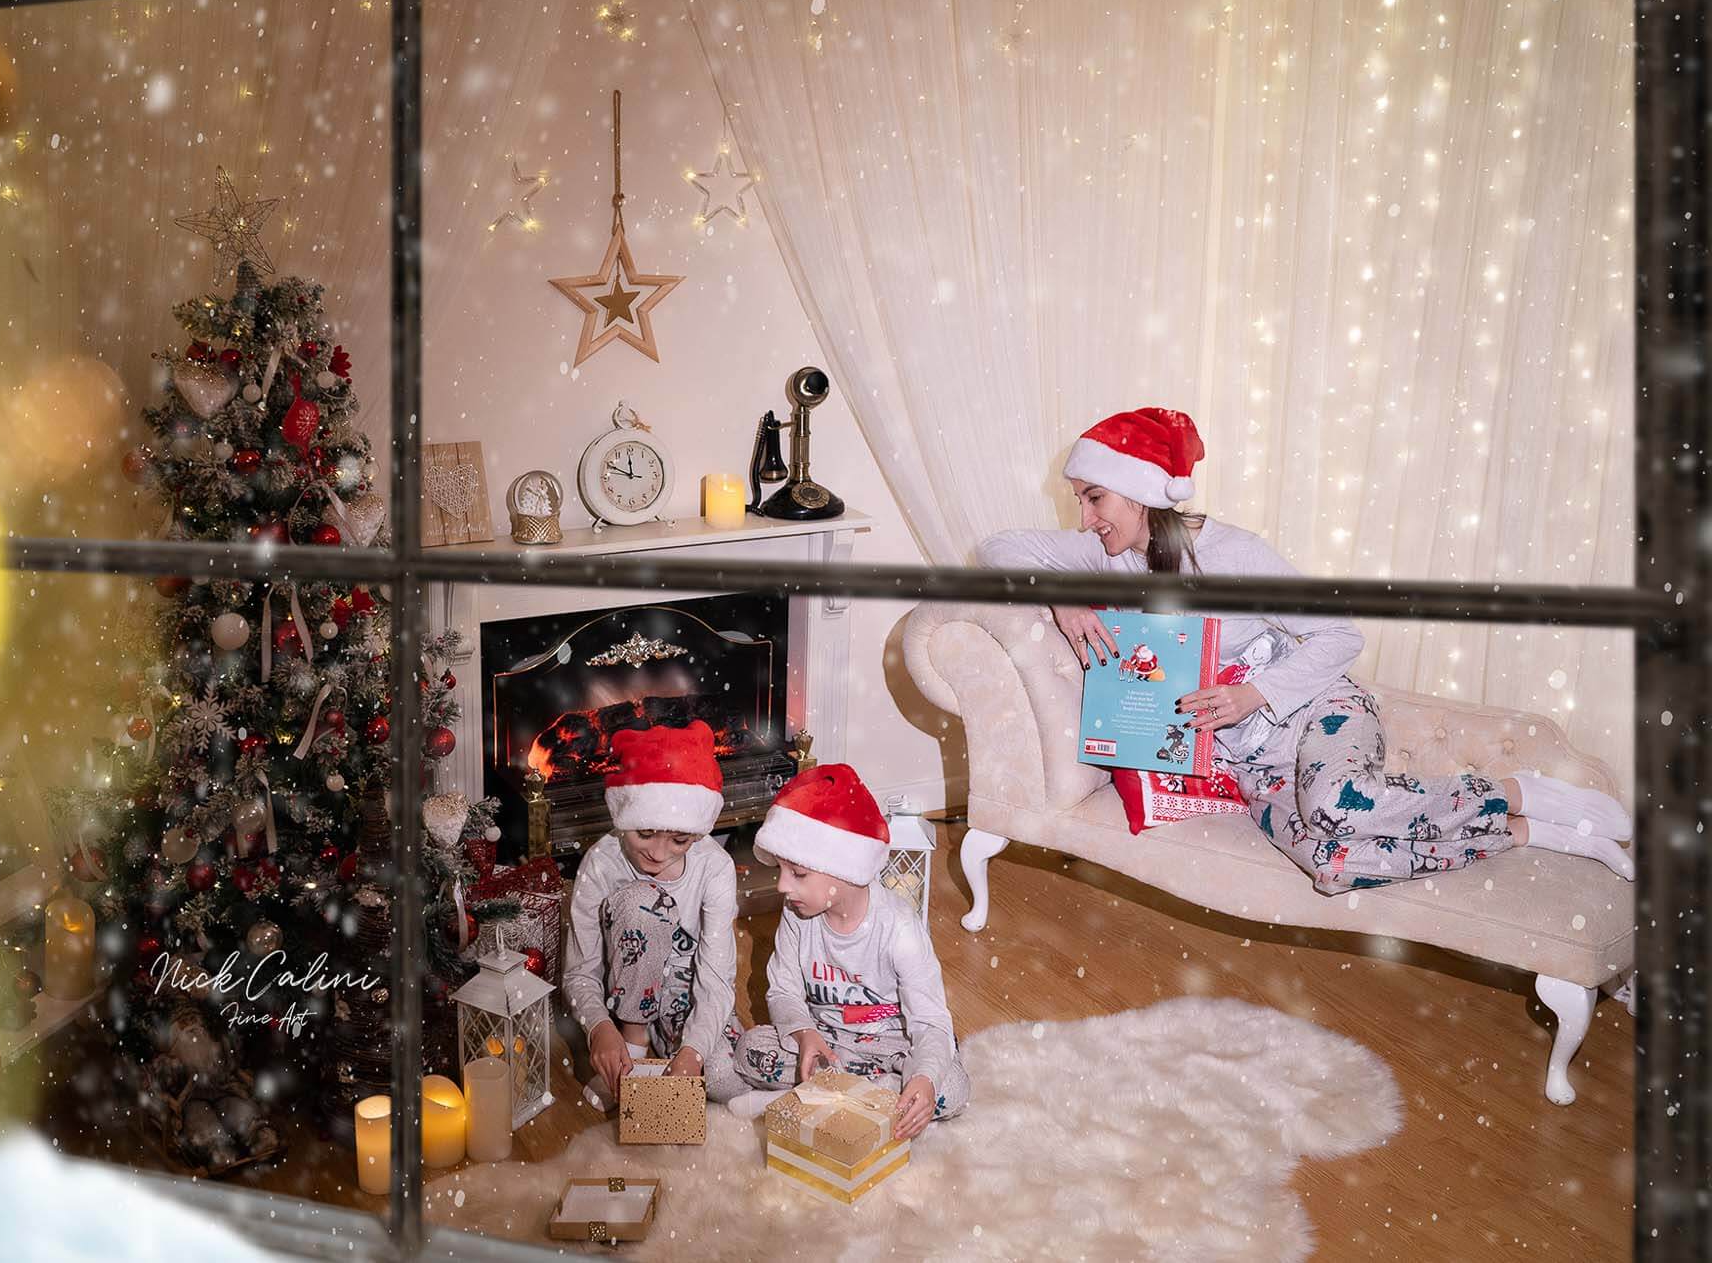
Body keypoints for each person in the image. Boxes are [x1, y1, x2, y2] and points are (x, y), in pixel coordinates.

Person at [978, 406, 1634, 893]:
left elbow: (1342, 633)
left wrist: (1252, 693)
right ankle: (1523, 830)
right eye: (1080, 500)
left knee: (1331, 806)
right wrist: (1064, 598)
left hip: (1319, 710)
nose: (1086, 517)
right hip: (1251, 759)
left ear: (1145, 490)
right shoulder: (1104, 555)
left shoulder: (1234, 553)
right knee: (1333, 864)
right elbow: (996, 548)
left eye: (1095, 497)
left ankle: (1522, 791)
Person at [724, 765, 969, 1134]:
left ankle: (812, 1098)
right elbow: (784, 991)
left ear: (843, 868)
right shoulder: (797, 914)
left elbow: (930, 1021)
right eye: (781, 870)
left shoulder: (899, 926)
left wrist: (924, 1077)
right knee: (750, 1050)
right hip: (827, 1042)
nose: (781, 886)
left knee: (950, 1088)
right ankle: (866, 1098)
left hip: (891, 1046)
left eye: (798, 874)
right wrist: (806, 1036)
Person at [562, 721, 747, 1107]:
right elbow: (580, 971)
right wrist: (599, 1029)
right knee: (644, 902)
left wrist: (693, 1051)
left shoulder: (714, 868)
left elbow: (716, 981)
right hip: (622, 1007)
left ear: (696, 834)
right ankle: (634, 1045)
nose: (659, 854)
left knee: (724, 1082)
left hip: (688, 1004)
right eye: (644, 834)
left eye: (679, 840)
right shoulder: (601, 864)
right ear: (623, 817)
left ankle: (663, 1058)